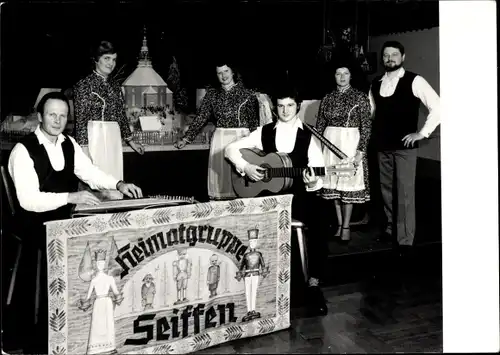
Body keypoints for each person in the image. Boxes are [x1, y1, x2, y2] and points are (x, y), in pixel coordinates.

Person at [5, 91, 143, 354]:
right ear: (39, 117)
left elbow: (89, 173)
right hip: (34, 229)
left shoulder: (69, 143)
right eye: (51, 114)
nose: (57, 120)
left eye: (62, 115)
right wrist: (71, 195)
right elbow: (28, 201)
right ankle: (42, 340)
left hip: (64, 224)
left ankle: (76, 333)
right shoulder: (23, 150)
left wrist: (118, 183)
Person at [225, 85, 329, 316]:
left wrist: (312, 181)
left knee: (322, 217)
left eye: (290, 105)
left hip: (299, 195)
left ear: (298, 107)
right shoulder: (264, 132)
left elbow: (318, 178)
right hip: (268, 197)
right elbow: (230, 150)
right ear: (274, 108)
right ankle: (269, 285)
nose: (285, 110)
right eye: (280, 106)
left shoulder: (308, 135)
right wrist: (247, 167)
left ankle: (313, 285)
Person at [368, 41, 440, 272]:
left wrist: (422, 133)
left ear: (403, 57)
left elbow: (438, 107)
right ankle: (392, 230)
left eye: (394, 55)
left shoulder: (414, 80)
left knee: (405, 193)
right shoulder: (375, 83)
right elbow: (372, 114)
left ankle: (405, 241)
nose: (389, 58)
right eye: (386, 55)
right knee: (387, 191)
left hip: (404, 147)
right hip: (382, 145)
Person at [175, 59, 260, 201]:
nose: (223, 75)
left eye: (226, 71)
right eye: (219, 73)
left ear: (233, 71)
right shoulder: (212, 95)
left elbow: (254, 125)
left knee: (240, 185)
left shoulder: (248, 95)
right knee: (221, 186)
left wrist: (257, 148)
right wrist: (186, 138)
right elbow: (201, 118)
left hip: (242, 140)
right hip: (220, 141)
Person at [73, 40, 144, 197]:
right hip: (94, 139)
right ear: (96, 59)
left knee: (113, 180)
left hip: (113, 139)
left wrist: (131, 141)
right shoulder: (83, 85)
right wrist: (84, 150)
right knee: (95, 180)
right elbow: (81, 121)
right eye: (106, 58)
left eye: (114, 59)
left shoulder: (115, 86)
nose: (111, 63)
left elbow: (120, 116)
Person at [316, 62, 372, 243]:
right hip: (330, 145)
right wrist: (317, 149)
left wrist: (360, 151)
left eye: (345, 73)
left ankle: (346, 225)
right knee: (335, 186)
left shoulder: (360, 97)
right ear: (334, 76)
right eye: (338, 73)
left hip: (349, 145)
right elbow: (319, 127)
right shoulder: (327, 98)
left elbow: (366, 127)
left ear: (351, 76)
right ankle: (340, 224)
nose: (341, 77)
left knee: (346, 185)